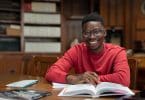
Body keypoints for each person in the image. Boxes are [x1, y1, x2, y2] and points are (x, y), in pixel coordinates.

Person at [45, 12, 130, 87]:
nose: (92, 37)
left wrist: (88, 79)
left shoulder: (117, 52)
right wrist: (74, 78)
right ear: (82, 35)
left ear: (104, 33)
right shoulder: (76, 50)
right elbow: (51, 73)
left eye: (96, 32)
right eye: (87, 33)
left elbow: (123, 79)